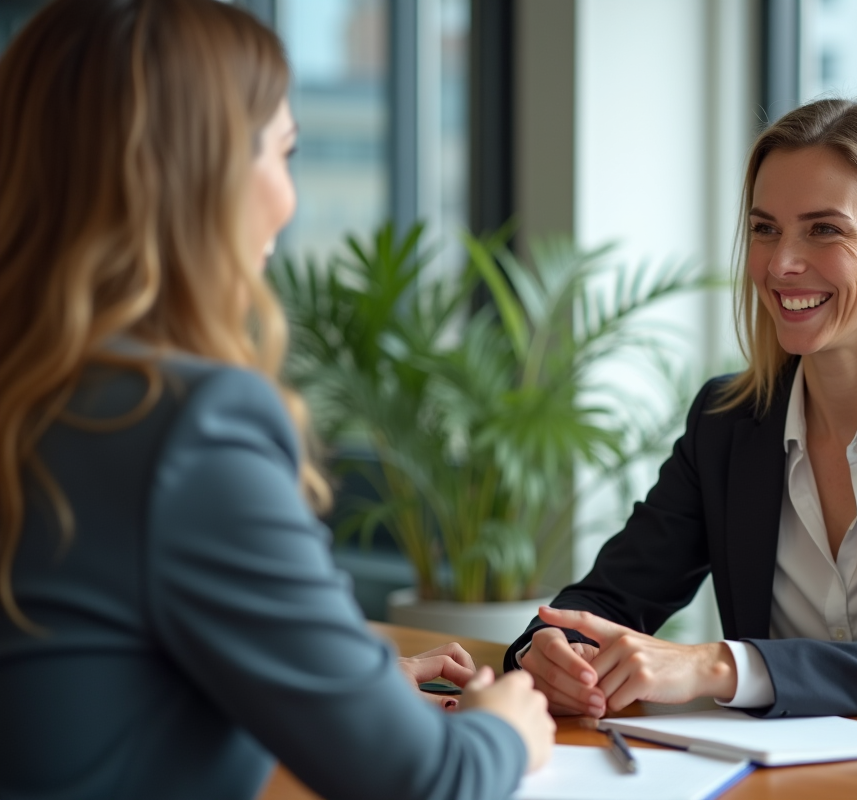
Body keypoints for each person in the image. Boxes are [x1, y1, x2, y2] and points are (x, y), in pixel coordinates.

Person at [0, 1, 553, 798]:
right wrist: (505, 727)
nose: (289, 199)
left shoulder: (36, 392)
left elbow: (86, 663)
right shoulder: (184, 423)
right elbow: (425, 779)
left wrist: (336, 680)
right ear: (203, 175)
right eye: (284, 152)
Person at [505, 98, 857, 732]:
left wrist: (721, 666)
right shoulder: (728, 422)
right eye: (765, 228)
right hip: (799, 772)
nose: (781, 265)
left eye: (824, 229)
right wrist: (552, 652)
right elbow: (607, 598)